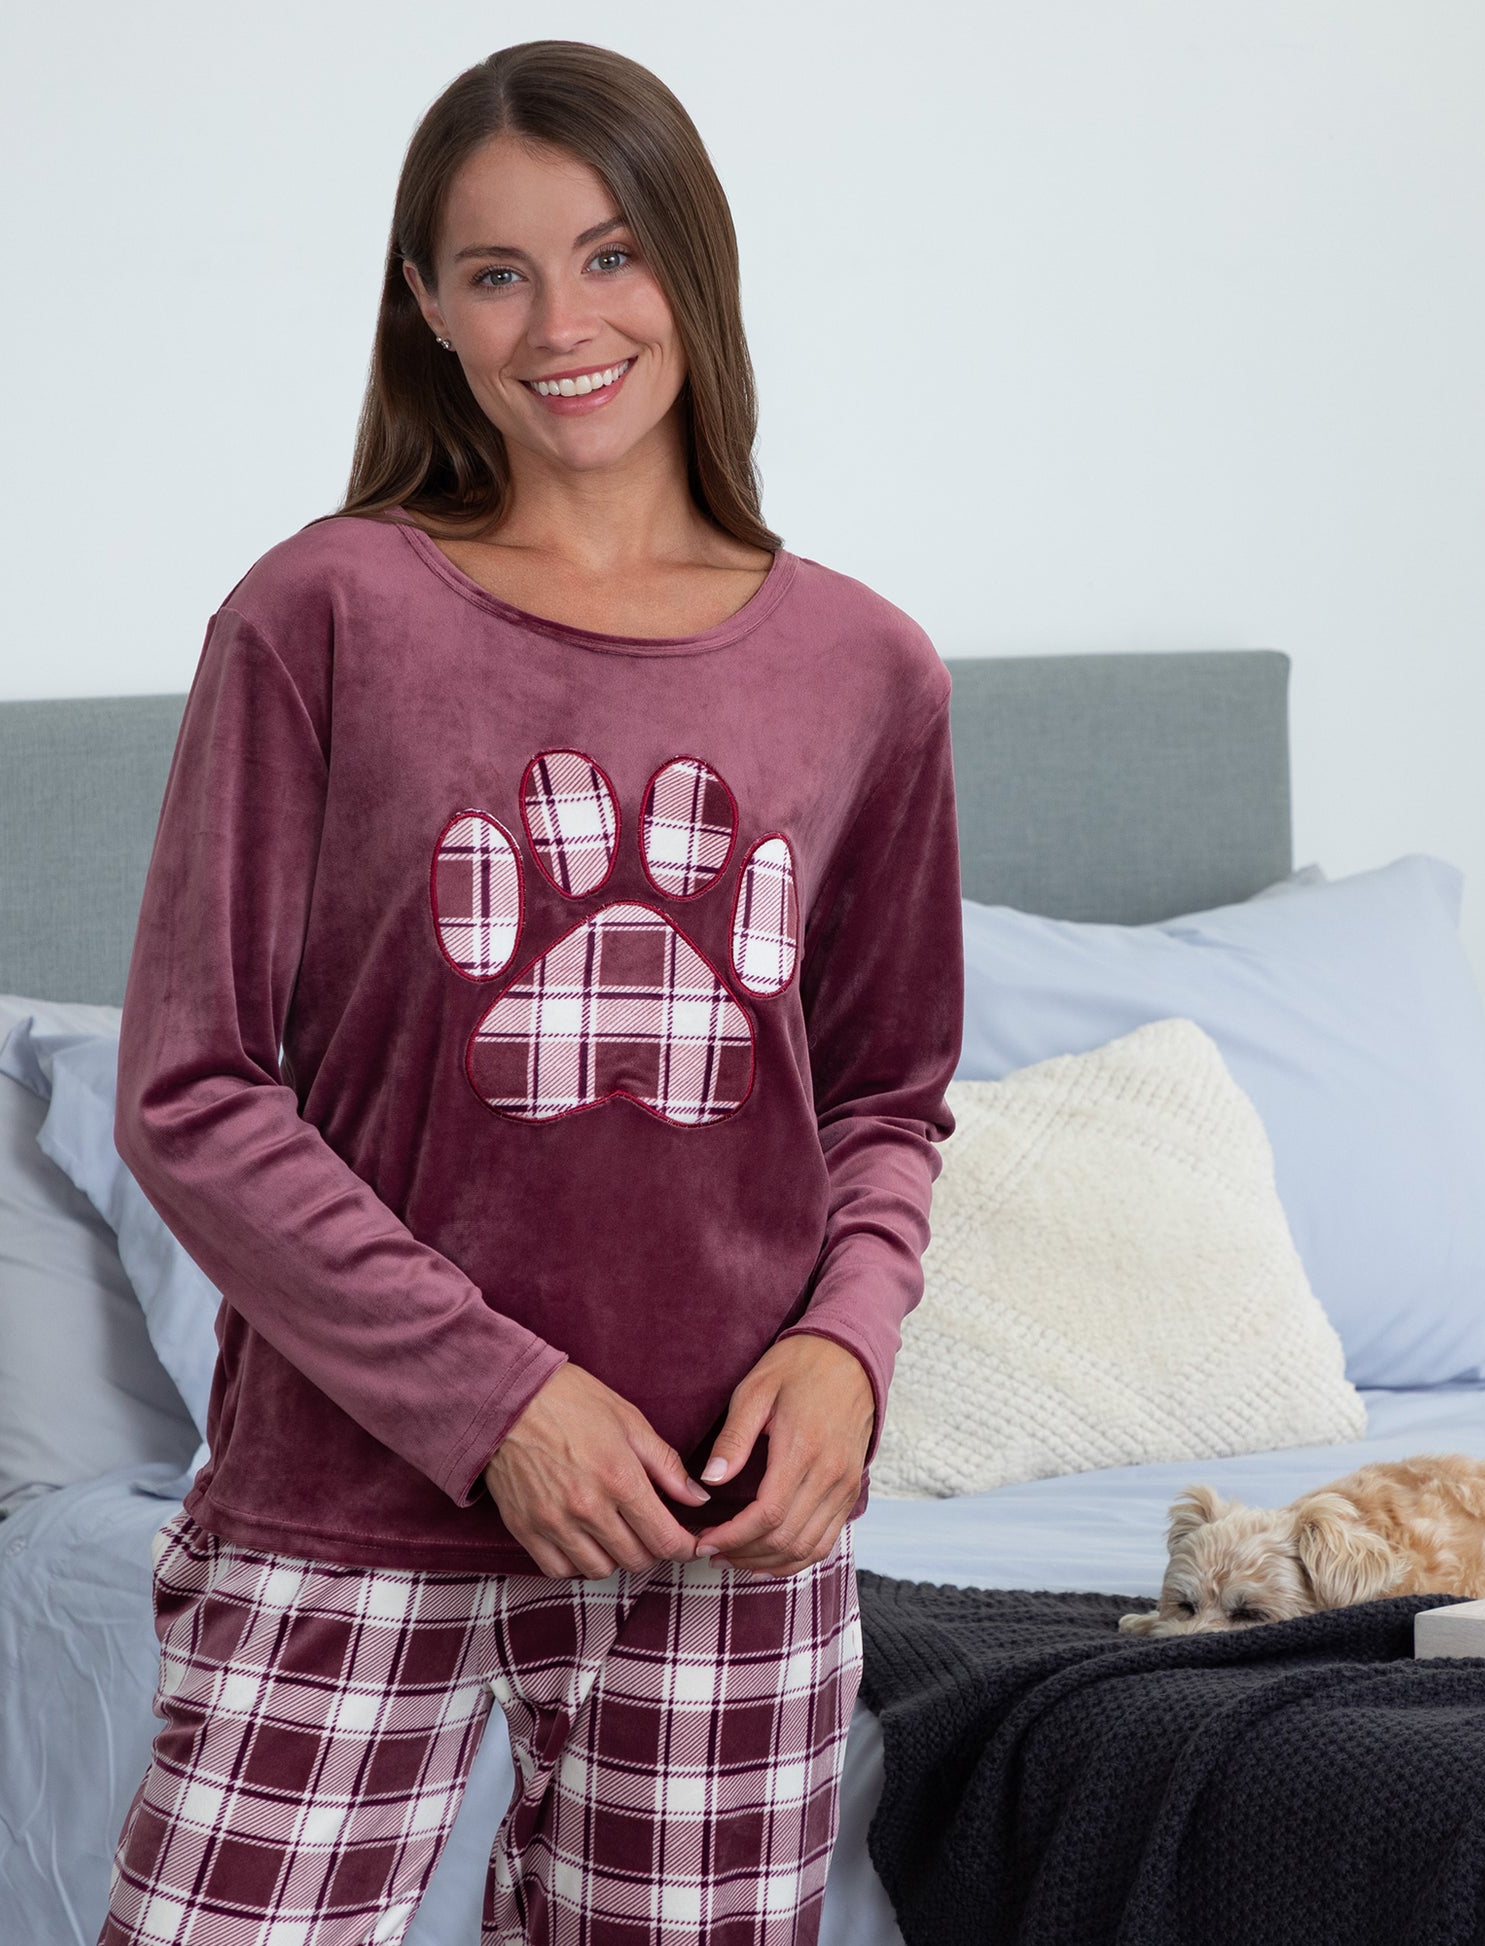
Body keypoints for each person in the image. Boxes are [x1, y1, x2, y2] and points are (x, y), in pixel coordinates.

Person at [96, 36, 963, 1946]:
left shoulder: (865, 670)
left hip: (728, 1510)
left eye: (608, 253)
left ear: (693, 265)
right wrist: (498, 1404)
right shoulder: (322, 616)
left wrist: (847, 1353)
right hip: (351, 1498)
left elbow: (889, 1095)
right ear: (424, 310)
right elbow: (191, 1090)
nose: (559, 321)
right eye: (494, 271)